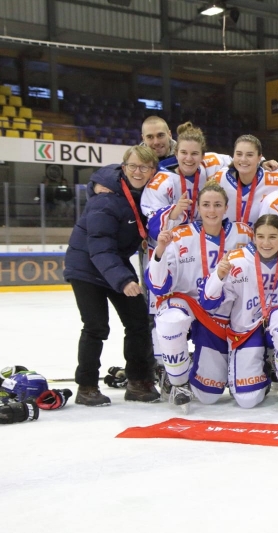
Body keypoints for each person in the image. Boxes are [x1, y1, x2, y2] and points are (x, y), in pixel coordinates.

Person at [63, 146, 161, 406]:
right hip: (86, 266)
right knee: (96, 326)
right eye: (133, 166)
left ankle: (138, 381)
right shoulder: (105, 198)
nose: (138, 172)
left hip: (114, 262)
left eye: (144, 167)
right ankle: (86, 387)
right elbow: (98, 245)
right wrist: (124, 280)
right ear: (123, 167)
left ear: (153, 171)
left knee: (138, 321)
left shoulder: (146, 195)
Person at [146, 182, 253, 411]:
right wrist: (160, 251)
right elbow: (158, 284)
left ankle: (194, 363)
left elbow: (266, 253)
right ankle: (178, 382)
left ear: (226, 208)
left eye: (217, 205)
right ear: (198, 208)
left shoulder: (244, 233)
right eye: (206, 205)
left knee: (209, 395)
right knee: (170, 321)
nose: (211, 211)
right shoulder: (180, 235)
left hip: (221, 312)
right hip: (187, 304)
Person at [202, 214, 278, 411]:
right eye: (261, 236)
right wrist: (219, 276)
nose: (266, 243)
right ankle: (264, 373)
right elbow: (208, 301)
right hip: (246, 329)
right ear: (253, 237)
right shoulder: (235, 260)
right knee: (248, 400)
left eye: (273, 237)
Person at [212, 135, 278, 227]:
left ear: (259, 157)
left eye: (249, 155)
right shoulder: (220, 178)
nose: (243, 159)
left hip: (263, 240)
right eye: (239, 154)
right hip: (229, 240)